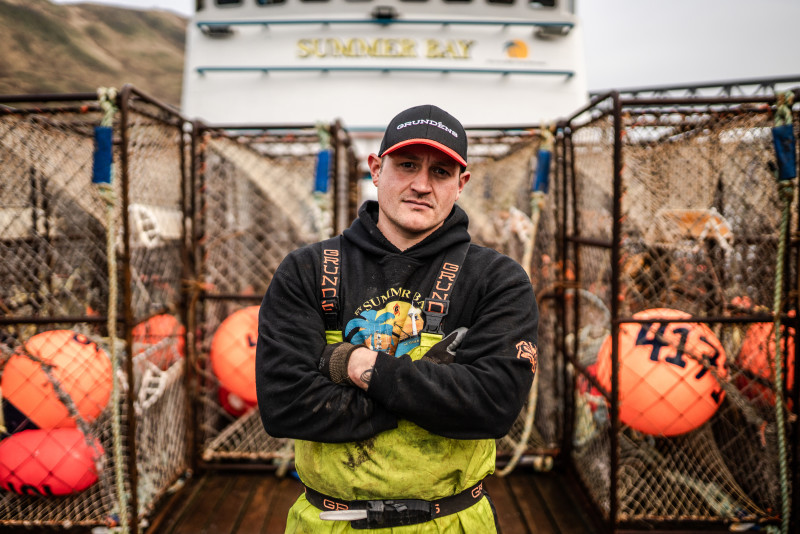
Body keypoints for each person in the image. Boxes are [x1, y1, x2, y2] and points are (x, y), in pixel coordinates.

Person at [256, 104, 539, 533]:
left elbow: (492, 408)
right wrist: (434, 392)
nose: (421, 185)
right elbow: (285, 407)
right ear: (376, 168)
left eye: (441, 173)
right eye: (407, 165)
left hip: (452, 521)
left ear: (461, 184)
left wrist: (354, 364)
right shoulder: (309, 269)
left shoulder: (498, 280)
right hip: (330, 522)